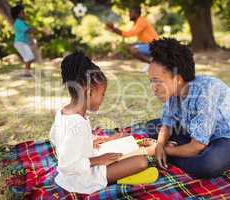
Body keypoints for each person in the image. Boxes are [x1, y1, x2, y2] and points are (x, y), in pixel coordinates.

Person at [50, 52, 156, 194]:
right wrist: (99, 160)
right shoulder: (76, 124)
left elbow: (56, 137)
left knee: (125, 141)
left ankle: (120, 165)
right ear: (89, 92)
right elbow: (67, 166)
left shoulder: (64, 112)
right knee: (141, 161)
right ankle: (121, 178)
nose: (103, 98)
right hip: (81, 179)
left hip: (87, 160)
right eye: (103, 94)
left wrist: (95, 140)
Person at [147, 38, 230, 178]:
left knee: (208, 165)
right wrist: (160, 145)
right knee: (152, 126)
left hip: (229, 137)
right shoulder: (173, 93)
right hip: (197, 133)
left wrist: (163, 150)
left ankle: (177, 152)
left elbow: (198, 146)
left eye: (157, 81)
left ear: (177, 79)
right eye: (151, 81)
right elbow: (167, 124)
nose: (153, 88)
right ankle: (182, 151)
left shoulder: (206, 90)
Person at [11, 4, 40, 77]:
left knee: (29, 57)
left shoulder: (22, 22)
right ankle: (26, 73)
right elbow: (29, 31)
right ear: (18, 15)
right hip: (20, 43)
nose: (24, 14)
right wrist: (42, 31)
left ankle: (27, 72)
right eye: (22, 13)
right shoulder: (18, 22)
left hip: (23, 43)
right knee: (29, 57)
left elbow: (30, 30)